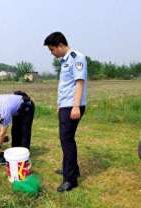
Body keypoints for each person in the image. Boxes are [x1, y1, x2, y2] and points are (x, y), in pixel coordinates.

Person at [44, 32, 88, 192]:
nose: (52, 53)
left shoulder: (77, 58)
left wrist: (75, 106)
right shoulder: (65, 61)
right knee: (66, 139)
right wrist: (60, 104)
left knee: (66, 140)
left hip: (72, 106)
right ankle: (71, 169)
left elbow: (79, 83)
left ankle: (70, 179)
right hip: (66, 105)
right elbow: (65, 86)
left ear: (60, 45)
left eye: (52, 50)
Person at [0, 91, 35, 165]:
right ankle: (15, 153)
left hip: (27, 107)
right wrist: (2, 138)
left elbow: (3, 131)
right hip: (17, 109)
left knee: (24, 131)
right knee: (15, 131)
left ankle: (24, 157)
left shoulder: (4, 111)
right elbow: (2, 123)